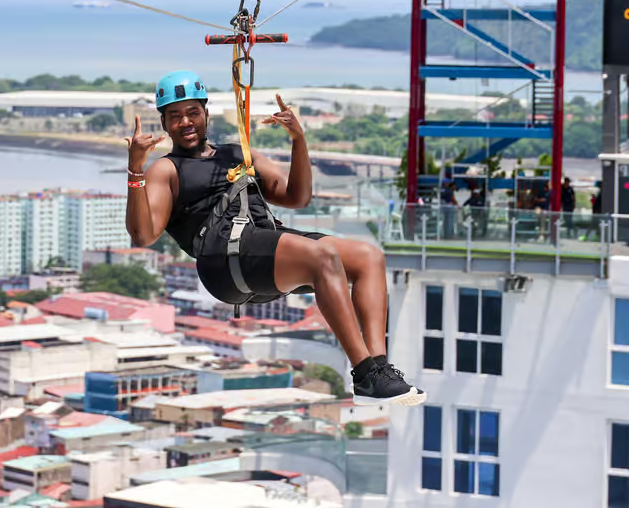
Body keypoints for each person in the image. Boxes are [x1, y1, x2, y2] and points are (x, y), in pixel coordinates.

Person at [124, 70, 424, 407]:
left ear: (206, 114)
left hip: (262, 245)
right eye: (175, 117)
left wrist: (298, 140)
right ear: (164, 124)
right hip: (222, 260)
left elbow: (296, 196)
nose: (186, 122)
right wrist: (136, 168)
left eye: (193, 112)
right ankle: (364, 372)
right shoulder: (166, 170)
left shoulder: (238, 154)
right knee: (322, 256)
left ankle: (379, 368)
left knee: (368, 256)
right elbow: (142, 235)